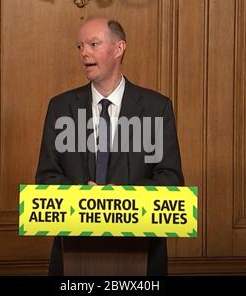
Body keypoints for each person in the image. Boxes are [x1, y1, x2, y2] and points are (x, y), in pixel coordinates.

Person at [35, 16, 184, 276]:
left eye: (93, 44)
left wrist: (122, 197)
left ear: (119, 49)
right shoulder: (60, 108)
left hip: (142, 254)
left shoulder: (157, 108)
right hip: (73, 254)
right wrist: (85, 198)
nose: (84, 53)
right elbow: (46, 178)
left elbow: (171, 181)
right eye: (80, 46)